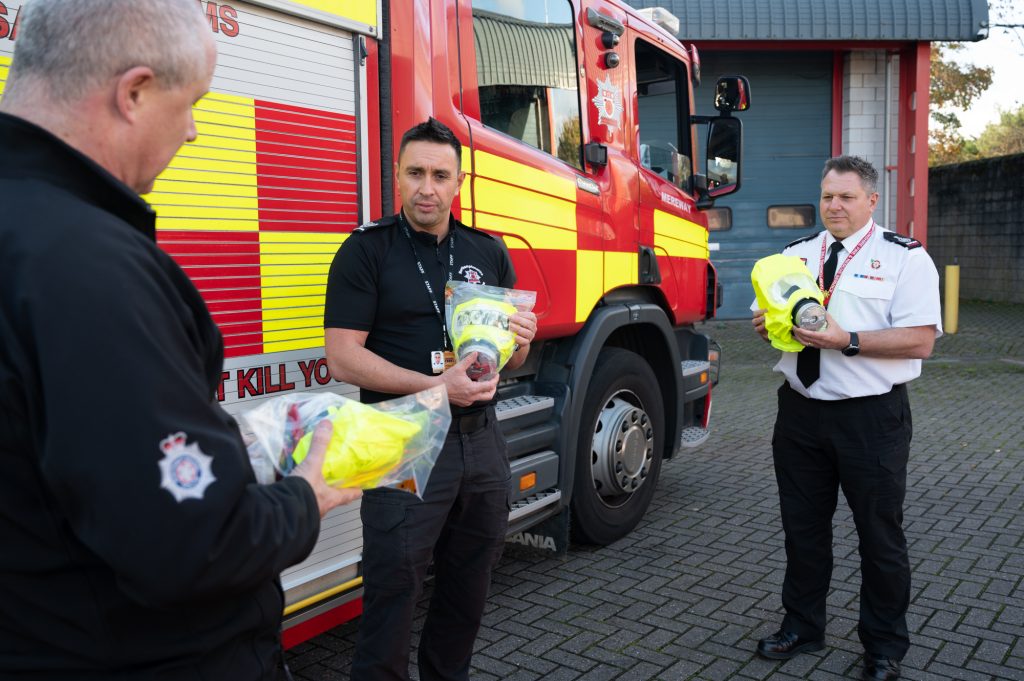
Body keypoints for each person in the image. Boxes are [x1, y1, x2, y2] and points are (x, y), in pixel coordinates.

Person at [0, 2, 360, 679]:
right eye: (191, 102)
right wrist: (309, 492)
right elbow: (197, 544)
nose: (194, 131)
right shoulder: (89, 266)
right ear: (133, 92)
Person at [323, 118, 538, 681]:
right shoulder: (365, 251)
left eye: (440, 175)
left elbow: (511, 362)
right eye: (415, 172)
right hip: (398, 435)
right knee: (392, 592)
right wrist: (435, 386)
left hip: (480, 442)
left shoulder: (487, 251)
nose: (427, 187)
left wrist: (521, 340)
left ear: (458, 182)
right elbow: (343, 357)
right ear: (396, 175)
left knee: (468, 590)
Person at [751, 156, 941, 681]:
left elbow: (921, 338)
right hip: (799, 415)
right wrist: (767, 327)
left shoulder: (905, 258)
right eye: (828, 195)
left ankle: (883, 647)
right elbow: (766, 322)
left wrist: (846, 340)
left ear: (872, 201)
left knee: (880, 537)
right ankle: (802, 626)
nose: (834, 206)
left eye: (847, 197)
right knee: (802, 531)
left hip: (871, 419)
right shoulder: (793, 255)